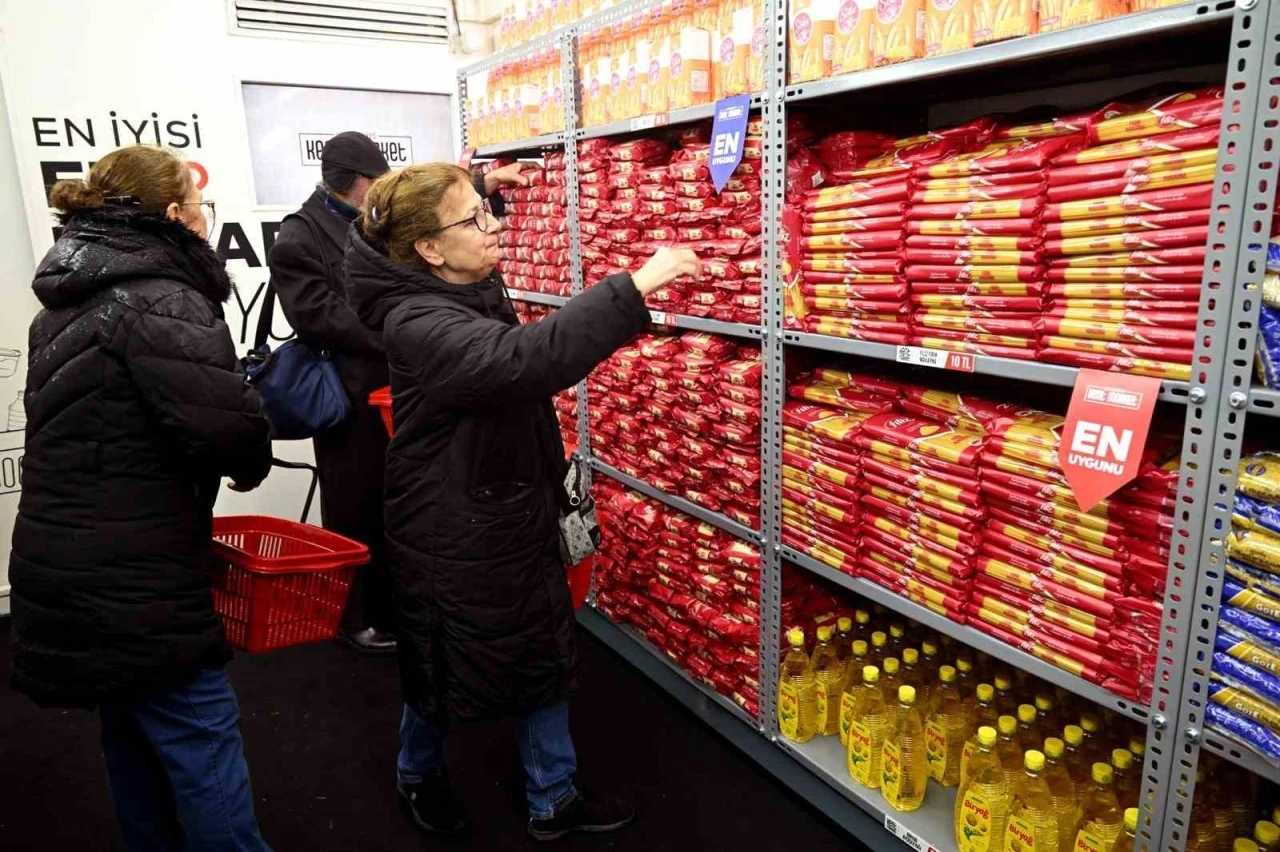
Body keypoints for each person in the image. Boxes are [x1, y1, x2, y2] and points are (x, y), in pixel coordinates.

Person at [344, 162, 699, 842]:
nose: (495, 225)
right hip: (450, 521)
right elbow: (520, 361)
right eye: (476, 218)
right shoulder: (414, 318)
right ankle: (417, 775)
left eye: (489, 210)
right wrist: (634, 286)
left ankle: (552, 796)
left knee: (541, 649)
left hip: (507, 502)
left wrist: (480, 183)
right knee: (443, 660)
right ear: (426, 248)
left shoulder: (462, 279)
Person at [9, 145, 275, 851]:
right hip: (137, 577)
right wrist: (252, 451)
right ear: (171, 216)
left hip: (70, 562)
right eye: (199, 205)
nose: (205, 219)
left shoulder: (65, 304)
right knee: (198, 730)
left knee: (130, 727)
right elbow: (225, 429)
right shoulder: (163, 297)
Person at [267, 132, 529, 655]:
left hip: (404, 385)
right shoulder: (299, 236)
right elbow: (318, 317)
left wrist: (479, 187)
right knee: (355, 504)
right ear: (353, 184)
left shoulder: (370, 217)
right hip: (351, 394)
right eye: (375, 180)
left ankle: (404, 608)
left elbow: (430, 225)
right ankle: (357, 615)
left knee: (408, 501)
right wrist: (404, 331)